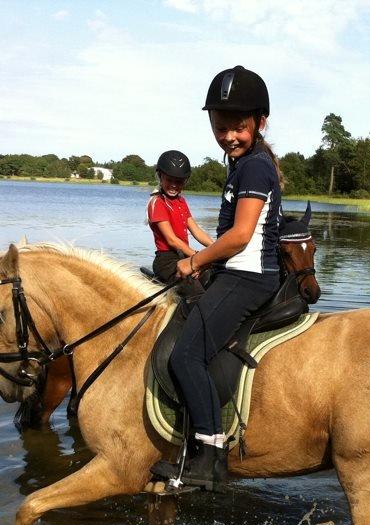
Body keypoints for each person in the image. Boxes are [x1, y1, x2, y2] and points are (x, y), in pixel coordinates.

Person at [151, 65, 283, 490]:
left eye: (239, 127)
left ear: (259, 122)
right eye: (220, 127)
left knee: (185, 356)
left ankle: (210, 457)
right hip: (236, 273)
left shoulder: (255, 168)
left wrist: (194, 262)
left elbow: (241, 237)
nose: (229, 136)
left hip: (247, 278)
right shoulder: (244, 164)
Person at [148, 149, 212, 285]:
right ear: (160, 176)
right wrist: (197, 257)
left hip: (184, 255)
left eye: (179, 181)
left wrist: (216, 248)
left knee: (213, 279)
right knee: (195, 294)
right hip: (166, 261)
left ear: (185, 181)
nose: (173, 185)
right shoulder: (157, 203)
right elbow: (172, 240)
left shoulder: (181, 202)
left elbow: (197, 231)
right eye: (169, 179)